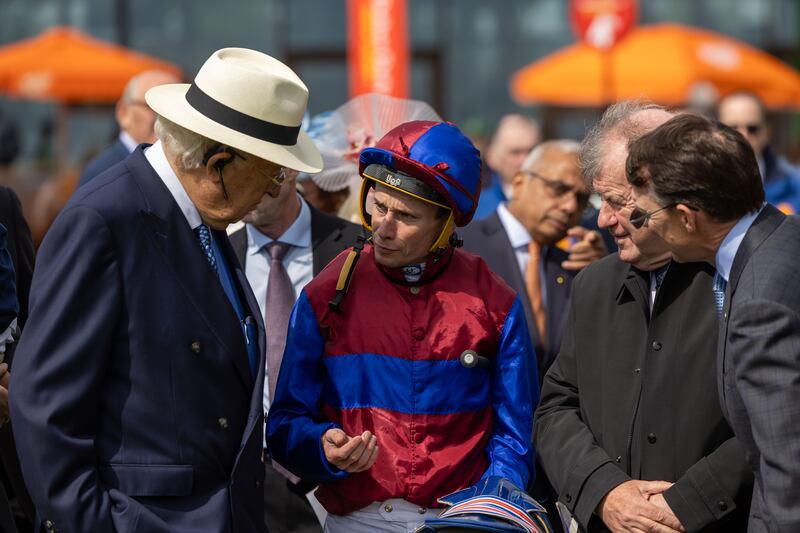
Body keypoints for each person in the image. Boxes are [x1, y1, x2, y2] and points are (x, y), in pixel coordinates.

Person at [10, 47, 322, 533]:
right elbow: (45, 407)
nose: (273, 190)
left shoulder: (203, 217)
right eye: (271, 173)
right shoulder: (105, 221)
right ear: (218, 163)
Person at [267, 120, 537, 532]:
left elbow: (516, 432)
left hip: (462, 520)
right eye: (378, 206)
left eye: (406, 216)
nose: (383, 227)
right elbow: (285, 422)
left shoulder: (494, 301)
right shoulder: (326, 293)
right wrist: (322, 446)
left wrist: (492, 504)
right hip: (359, 520)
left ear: (445, 224)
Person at [535, 101, 752, 533]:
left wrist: (687, 504)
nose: (603, 218)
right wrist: (605, 492)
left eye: (618, 202)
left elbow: (773, 417)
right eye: (599, 199)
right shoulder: (593, 285)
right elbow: (557, 406)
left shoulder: (741, 279)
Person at [626, 112, 799, 533]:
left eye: (645, 215)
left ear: (687, 217)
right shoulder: (783, 238)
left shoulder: (759, 299)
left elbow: (787, 463)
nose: (642, 227)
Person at [230, 172, 360, 533]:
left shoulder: (354, 249)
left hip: (340, 468)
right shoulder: (218, 253)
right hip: (249, 474)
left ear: (286, 173)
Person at [462, 139, 604, 379]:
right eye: (558, 189)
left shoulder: (577, 264)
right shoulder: (464, 244)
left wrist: (603, 275)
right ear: (519, 183)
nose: (570, 207)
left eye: (581, 200)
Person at [78, 69, 181, 187]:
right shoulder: (102, 172)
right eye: (154, 106)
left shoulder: (184, 171)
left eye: (175, 109)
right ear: (123, 112)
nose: (166, 117)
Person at [717, 91, 800, 214]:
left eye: (752, 128)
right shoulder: (701, 187)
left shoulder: (794, 185)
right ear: (715, 133)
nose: (743, 135)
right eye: (732, 128)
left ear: (767, 132)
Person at [473, 114, 541, 220]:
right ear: (492, 158)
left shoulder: (555, 206)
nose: (525, 160)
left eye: (531, 151)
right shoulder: (475, 209)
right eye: (515, 152)